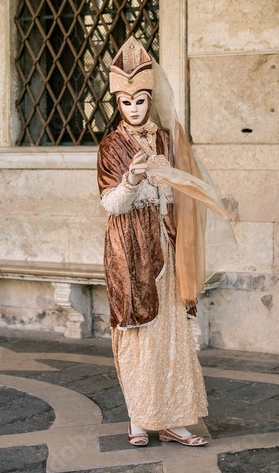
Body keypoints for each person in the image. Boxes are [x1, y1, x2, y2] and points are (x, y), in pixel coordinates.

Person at [97, 36, 236, 447]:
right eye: (127, 103)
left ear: (149, 98)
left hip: (167, 247)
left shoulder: (165, 140)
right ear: (117, 104)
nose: (136, 109)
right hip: (130, 250)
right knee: (139, 332)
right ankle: (139, 419)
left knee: (171, 335)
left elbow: (181, 195)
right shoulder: (110, 146)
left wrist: (169, 181)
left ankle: (173, 420)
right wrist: (133, 178)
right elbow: (111, 204)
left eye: (142, 100)